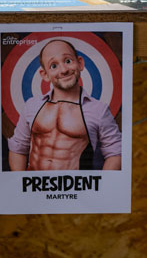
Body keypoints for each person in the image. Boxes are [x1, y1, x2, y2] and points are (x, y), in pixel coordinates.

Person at [8, 38, 122, 171]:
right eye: (53, 66)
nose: (63, 70)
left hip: (76, 184)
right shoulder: (31, 106)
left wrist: (102, 184)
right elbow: (18, 148)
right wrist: (20, 182)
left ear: (80, 63)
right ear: (45, 75)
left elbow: (115, 153)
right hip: (34, 182)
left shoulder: (99, 110)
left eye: (68, 61)